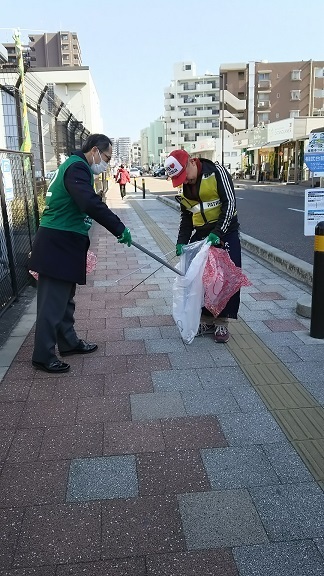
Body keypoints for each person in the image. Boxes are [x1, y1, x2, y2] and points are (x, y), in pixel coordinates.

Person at [29, 133, 133, 373]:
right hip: (57, 242)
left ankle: (68, 342)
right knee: (51, 304)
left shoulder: (76, 166)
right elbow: (88, 202)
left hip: (65, 242)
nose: (106, 163)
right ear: (95, 150)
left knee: (65, 299)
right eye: (106, 157)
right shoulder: (78, 168)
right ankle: (42, 356)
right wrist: (118, 227)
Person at [165, 149, 241, 343]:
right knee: (200, 278)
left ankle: (222, 323)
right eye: (179, 179)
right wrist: (182, 240)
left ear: (192, 161)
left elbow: (230, 204)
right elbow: (187, 215)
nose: (184, 181)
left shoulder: (217, 172)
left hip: (225, 232)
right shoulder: (185, 186)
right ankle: (206, 319)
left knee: (223, 278)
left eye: (184, 175)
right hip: (201, 234)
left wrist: (218, 233)